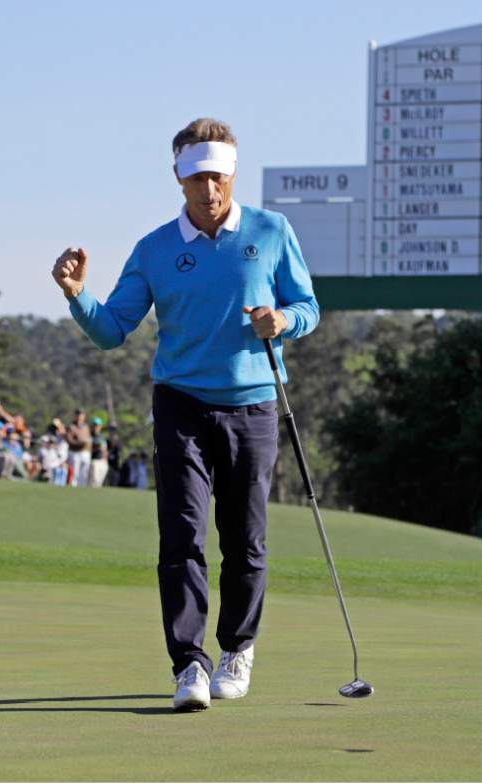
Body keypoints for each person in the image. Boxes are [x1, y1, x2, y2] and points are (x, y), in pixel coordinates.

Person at [51, 117, 319, 712]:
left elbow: (307, 306)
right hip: (180, 405)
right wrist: (76, 294)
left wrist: (283, 320)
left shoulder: (271, 231)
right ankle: (189, 664)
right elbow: (111, 331)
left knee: (245, 540)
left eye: (218, 176)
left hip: (253, 403)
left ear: (233, 174)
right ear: (178, 177)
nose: (209, 188)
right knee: (181, 536)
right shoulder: (154, 248)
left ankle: (236, 650)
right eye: (197, 177)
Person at [66, 409, 93, 486]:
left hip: (85, 452)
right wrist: (80, 443)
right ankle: (73, 486)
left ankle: (82, 487)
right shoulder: (71, 426)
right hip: (75, 452)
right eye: (78, 415)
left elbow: (89, 438)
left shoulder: (86, 426)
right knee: (75, 472)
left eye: (81, 415)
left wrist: (88, 447)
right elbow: (69, 440)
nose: (79, 417)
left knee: (84, 472)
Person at [88, 418, 109, 487]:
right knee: (94, 480)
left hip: (102, 461)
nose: (96, 427)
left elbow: (105, 449)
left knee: (99, 482)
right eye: (95, 425)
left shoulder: (102, 436)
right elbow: (88, 449)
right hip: (94, 460)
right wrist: (97, 448)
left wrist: (106, 460)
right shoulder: (90, 435)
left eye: (98, 425)